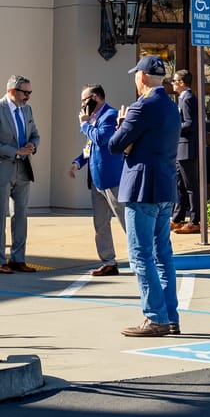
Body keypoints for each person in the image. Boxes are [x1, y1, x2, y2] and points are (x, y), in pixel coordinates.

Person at [109, 55, 181, 337]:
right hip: (164, 187)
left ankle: (155, 318)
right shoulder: (171, 107)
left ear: (141, 77)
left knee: (141, 255)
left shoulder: (141, 107)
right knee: (163, 254)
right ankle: (170, 316)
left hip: (142, 189)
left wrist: (122, 123)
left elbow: (115, 146)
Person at [0, 75, 40, 272]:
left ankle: (18, 259)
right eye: (25, 92)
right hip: (0, 171)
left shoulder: (27, 110)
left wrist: (33, 145)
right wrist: (15, 151)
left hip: (22, 170)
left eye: (30, 92)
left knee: (21, 216)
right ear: (12, 91)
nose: (28, 97)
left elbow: (35, 134)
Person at [71, 83, 125, 276]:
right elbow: (90, 147)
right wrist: (78, 162)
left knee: (126, 219)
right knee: (100, 224)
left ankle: (145, 258)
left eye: (84, 100)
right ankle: (108, 261)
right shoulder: (93, 118)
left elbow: (102, 139)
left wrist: (85, 124)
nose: (82, 105)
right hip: (96, 180)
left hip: (112, 178)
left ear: (95, 98)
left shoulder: (110, 115)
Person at [172, 69, 200, 233]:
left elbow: (190, 123)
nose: (173, 84)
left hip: (186, 148)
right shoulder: (183, 98)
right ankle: (177, 219)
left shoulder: (188, 98)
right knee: (179, 186)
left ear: (182, 82)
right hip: (180, 149)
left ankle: (195, 221)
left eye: (174, 81)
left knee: (190, 187)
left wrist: (173, 127)